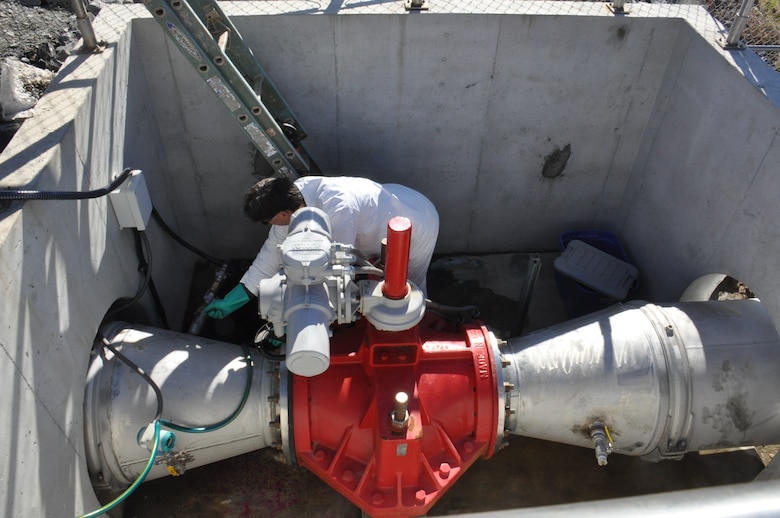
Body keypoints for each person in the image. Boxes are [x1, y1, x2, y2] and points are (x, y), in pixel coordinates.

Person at [203, 175, 439, 319]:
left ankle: (424, 328)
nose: (269, 226)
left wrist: (289, 319)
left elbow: (337, 270)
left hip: (415, 221)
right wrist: (235, 298)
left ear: (282, 214)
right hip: (385, 209)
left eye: (268, 221)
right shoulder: (294, 195)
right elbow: (271, 253)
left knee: (407, 292)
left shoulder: (338, 206)